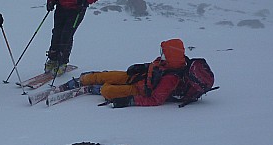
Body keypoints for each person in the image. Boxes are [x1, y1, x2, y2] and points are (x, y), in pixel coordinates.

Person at [59, 38, 188, 108]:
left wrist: (129, 101)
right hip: (139, 78)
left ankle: (97, 88)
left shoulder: (171, 78)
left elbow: (155, 100)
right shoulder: (166, 62)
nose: (161, 54)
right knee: (108, 75)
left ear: (171, 54)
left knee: (108, 91)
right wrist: (141, 67)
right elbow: (154, 68)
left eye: (163, 52)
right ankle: (83, 80)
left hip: (139, 90)